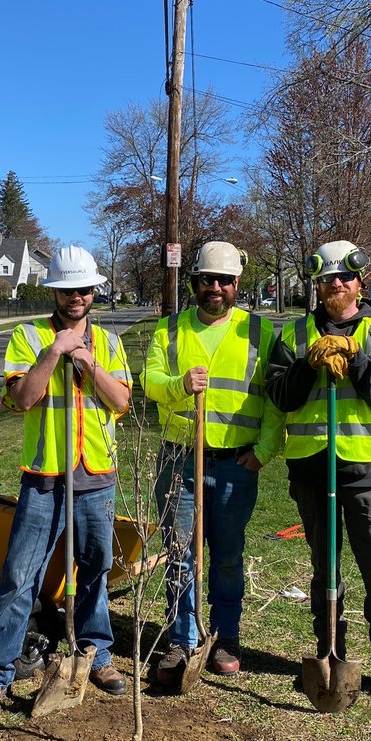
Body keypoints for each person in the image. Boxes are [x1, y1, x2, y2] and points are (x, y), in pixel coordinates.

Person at [0, 245, 132, 721]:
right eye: (67, 290)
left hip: (96, 477)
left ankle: (96, 656)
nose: (76, 297)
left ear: (93, 291)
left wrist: (85, 360)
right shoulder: (28, 335)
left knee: (95, 573)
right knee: (20, 578)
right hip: (44, 479)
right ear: (54, 292)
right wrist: (54, 352)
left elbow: (121, 401)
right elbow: (20, 399)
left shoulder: (108, 341)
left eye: (83, 289)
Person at [263, 240, 371, 712]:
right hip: (313, 471)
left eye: (344, 278)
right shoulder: (292, 335)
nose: (337, 285)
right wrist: (308, 365)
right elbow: (282, 398)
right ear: (317, 284)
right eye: (328, 279)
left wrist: (354, 357)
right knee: (325, 572)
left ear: (359, 282)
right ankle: (330, 654)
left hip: (368, 472)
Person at [141, 240, 283, 688]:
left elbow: (275, 401)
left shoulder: (260, 332)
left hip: (235, 465)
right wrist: (179, 384)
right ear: (194, 283)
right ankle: (181, 638)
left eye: (224, 280)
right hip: (180, 458)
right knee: (180, 555)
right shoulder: (170, 331)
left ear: (237, 284)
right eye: (207, 280)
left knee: (226, 556)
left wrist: (262, 452)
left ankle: (225, 636)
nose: (215, 288)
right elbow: (148, 382)